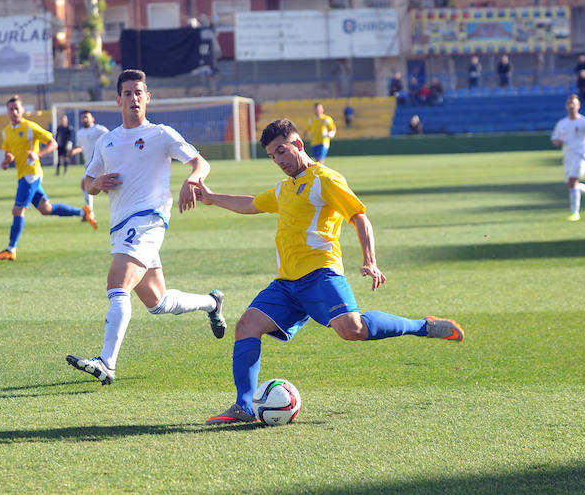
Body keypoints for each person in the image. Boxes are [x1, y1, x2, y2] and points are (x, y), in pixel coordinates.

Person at [195, 118, 465, 425]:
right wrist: (211, 198)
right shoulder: (285, 188)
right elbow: (252, 203)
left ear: (297, 144)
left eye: (282, 151)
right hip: (286, 283)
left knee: (353, 330)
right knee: (246, 326)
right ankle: (244, 406)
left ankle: (422, 326)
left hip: (321, 274)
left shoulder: (326, 179)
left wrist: (370, 260)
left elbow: (359, 217)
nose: (279, 160)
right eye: (272, 156)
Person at [65, 69, 226, 386]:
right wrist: (95, 184)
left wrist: (192, 179)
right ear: (118, 99)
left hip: (148, 220)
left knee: (117, 283)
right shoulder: (106, 141)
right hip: (121, 227)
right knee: (157, 302)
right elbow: (87, 180)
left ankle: (106, 363)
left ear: (147, 97)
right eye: (128, 93)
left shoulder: (161, 134)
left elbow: (200, 162)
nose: (134, 98)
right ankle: (212, 302)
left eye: (139, 92)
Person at [0, 95, 94, 261]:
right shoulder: (6, 132)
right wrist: (7, 160)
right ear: (7, 111)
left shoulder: (30, 127)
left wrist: (38, 154)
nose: (15, 111)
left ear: (22, 110)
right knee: (46, 210)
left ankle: (11, 249)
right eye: (11, 109)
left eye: (17, 108)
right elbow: (9, 152)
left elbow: (53, 143)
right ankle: (83, 211)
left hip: (31, 174)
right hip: (22, 174)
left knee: (17, 210)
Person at [550, 94, 585, 222]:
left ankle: (575, 213)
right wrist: (558, 141)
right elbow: (554, 138)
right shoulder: (561, 123)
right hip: (568, 155)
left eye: (574, 103)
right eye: (569, 103)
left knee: (572, 182)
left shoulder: (584, 122)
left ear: (578, 106)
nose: (571, 106)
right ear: (566, 106)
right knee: (571, 184)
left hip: (582, 153)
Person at [70, 109, 109, 229]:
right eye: (83, 118)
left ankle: (89, 212)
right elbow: (80, 147)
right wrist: (74, 151)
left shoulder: (99, 129)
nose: (85, 119)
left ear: (92, 119)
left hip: (98, 163)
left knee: (86, 185)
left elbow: (111, 137)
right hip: (89, 164)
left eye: (87, 117)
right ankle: (89, 211)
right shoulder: (80, 132)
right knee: (104, 188)